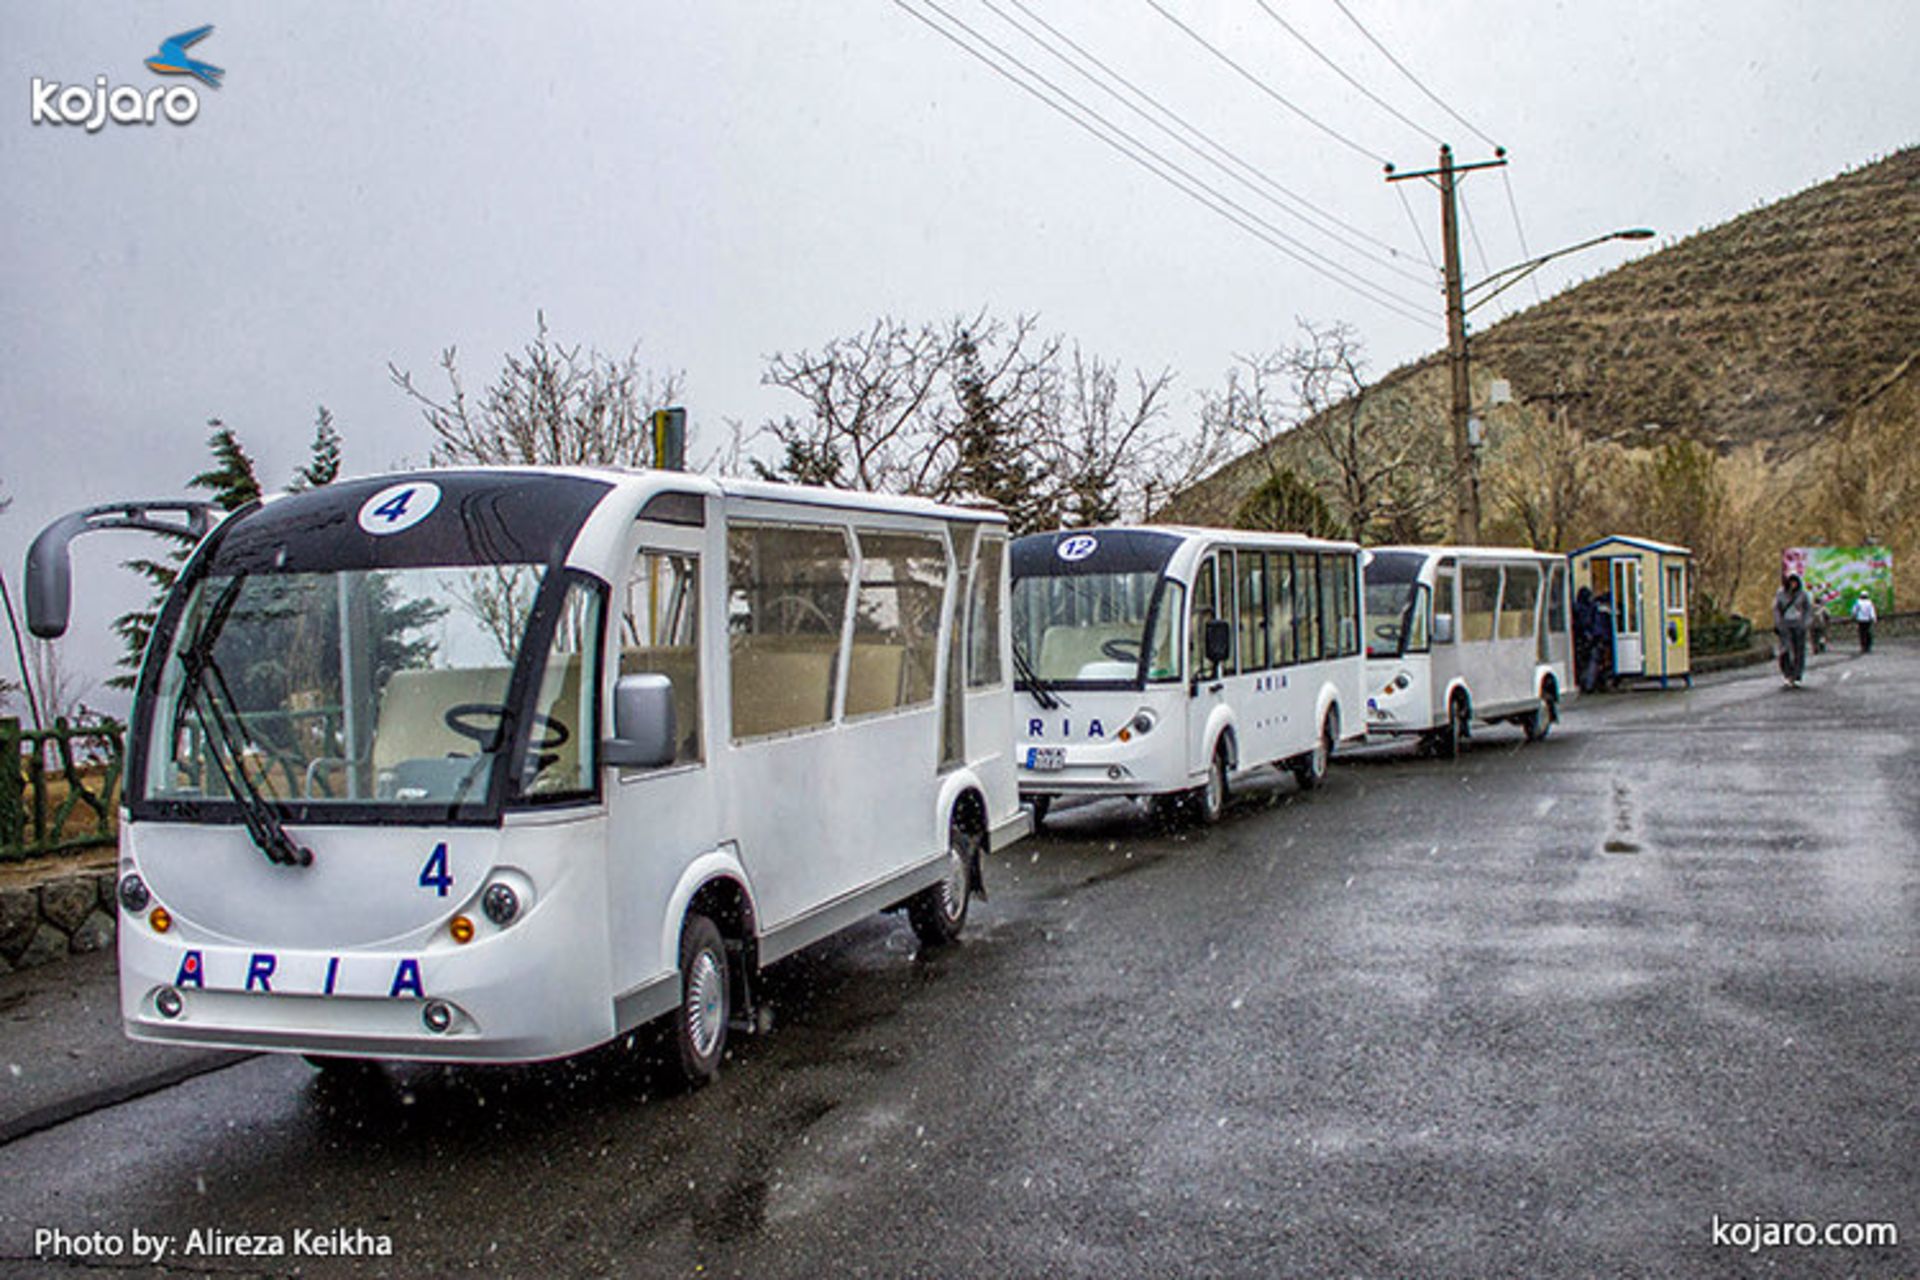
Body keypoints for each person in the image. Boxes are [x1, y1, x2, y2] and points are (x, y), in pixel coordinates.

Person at [1772, 573, 1813, 687]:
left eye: (1795, 582)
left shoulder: (1803, 595)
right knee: (1785, 650)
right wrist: (1779, 624)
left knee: (1799, 651)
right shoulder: (1780, 594)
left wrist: (1805, 623)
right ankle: (1787, 673)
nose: (1793, 585)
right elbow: (1776, 609)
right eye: (1791, 582)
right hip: (1785, 626)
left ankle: (1797, 675)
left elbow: (1808, 610)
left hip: (1798, 625)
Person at [1573, 586, 1598, 692]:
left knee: (1581, 662)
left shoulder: (1576, 607)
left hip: (1579, 637)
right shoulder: (1590, 607)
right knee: (1591, 660)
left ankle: (1583, 682)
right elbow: (1589, 622)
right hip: (1587, 636)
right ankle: (1588, 684)